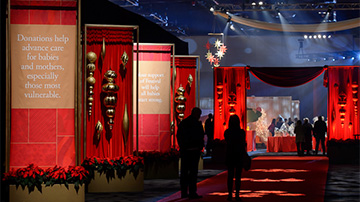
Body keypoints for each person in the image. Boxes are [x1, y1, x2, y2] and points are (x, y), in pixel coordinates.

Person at [176, 107, 204, 199]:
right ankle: (192, 192)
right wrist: (200, 147)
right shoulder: (197, 124)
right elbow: (201, 136)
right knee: (193, 173)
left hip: (185, 151)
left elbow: (179, 135)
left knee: (184, 173)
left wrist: (182, 146)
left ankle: (184, 192)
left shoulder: (184, 123)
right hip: (194, 151)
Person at [224, 115, 246, 201]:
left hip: (230, 154)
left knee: (230, 175)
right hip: (239, 155)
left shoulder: (227, 132)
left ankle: (229, 194)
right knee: (238, 176)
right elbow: (243, 144)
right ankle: (237, 194)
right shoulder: (241, 132)